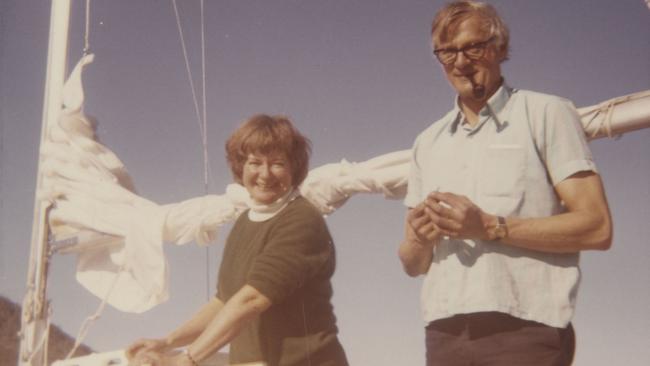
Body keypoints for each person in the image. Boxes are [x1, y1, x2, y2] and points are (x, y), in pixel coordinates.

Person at [398, 1, 612, 365]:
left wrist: (488, 226)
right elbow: (413, 264)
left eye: (473, 48)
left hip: (524, 333)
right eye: (447, 52)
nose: (460, 62)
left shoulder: (546, 113)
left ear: (499, 48)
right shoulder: (426, 143)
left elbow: (597, 227)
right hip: (443, 336)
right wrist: (419, 240)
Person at [126, 114, 348, 366]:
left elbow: (251, 300)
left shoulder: (301, 219)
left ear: (294, 169)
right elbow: (224, 301)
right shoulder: (245, 222)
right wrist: (168, 342)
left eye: (277, 163)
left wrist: (187, 359)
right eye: (255, 162)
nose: (265, 174)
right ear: (240, 167)